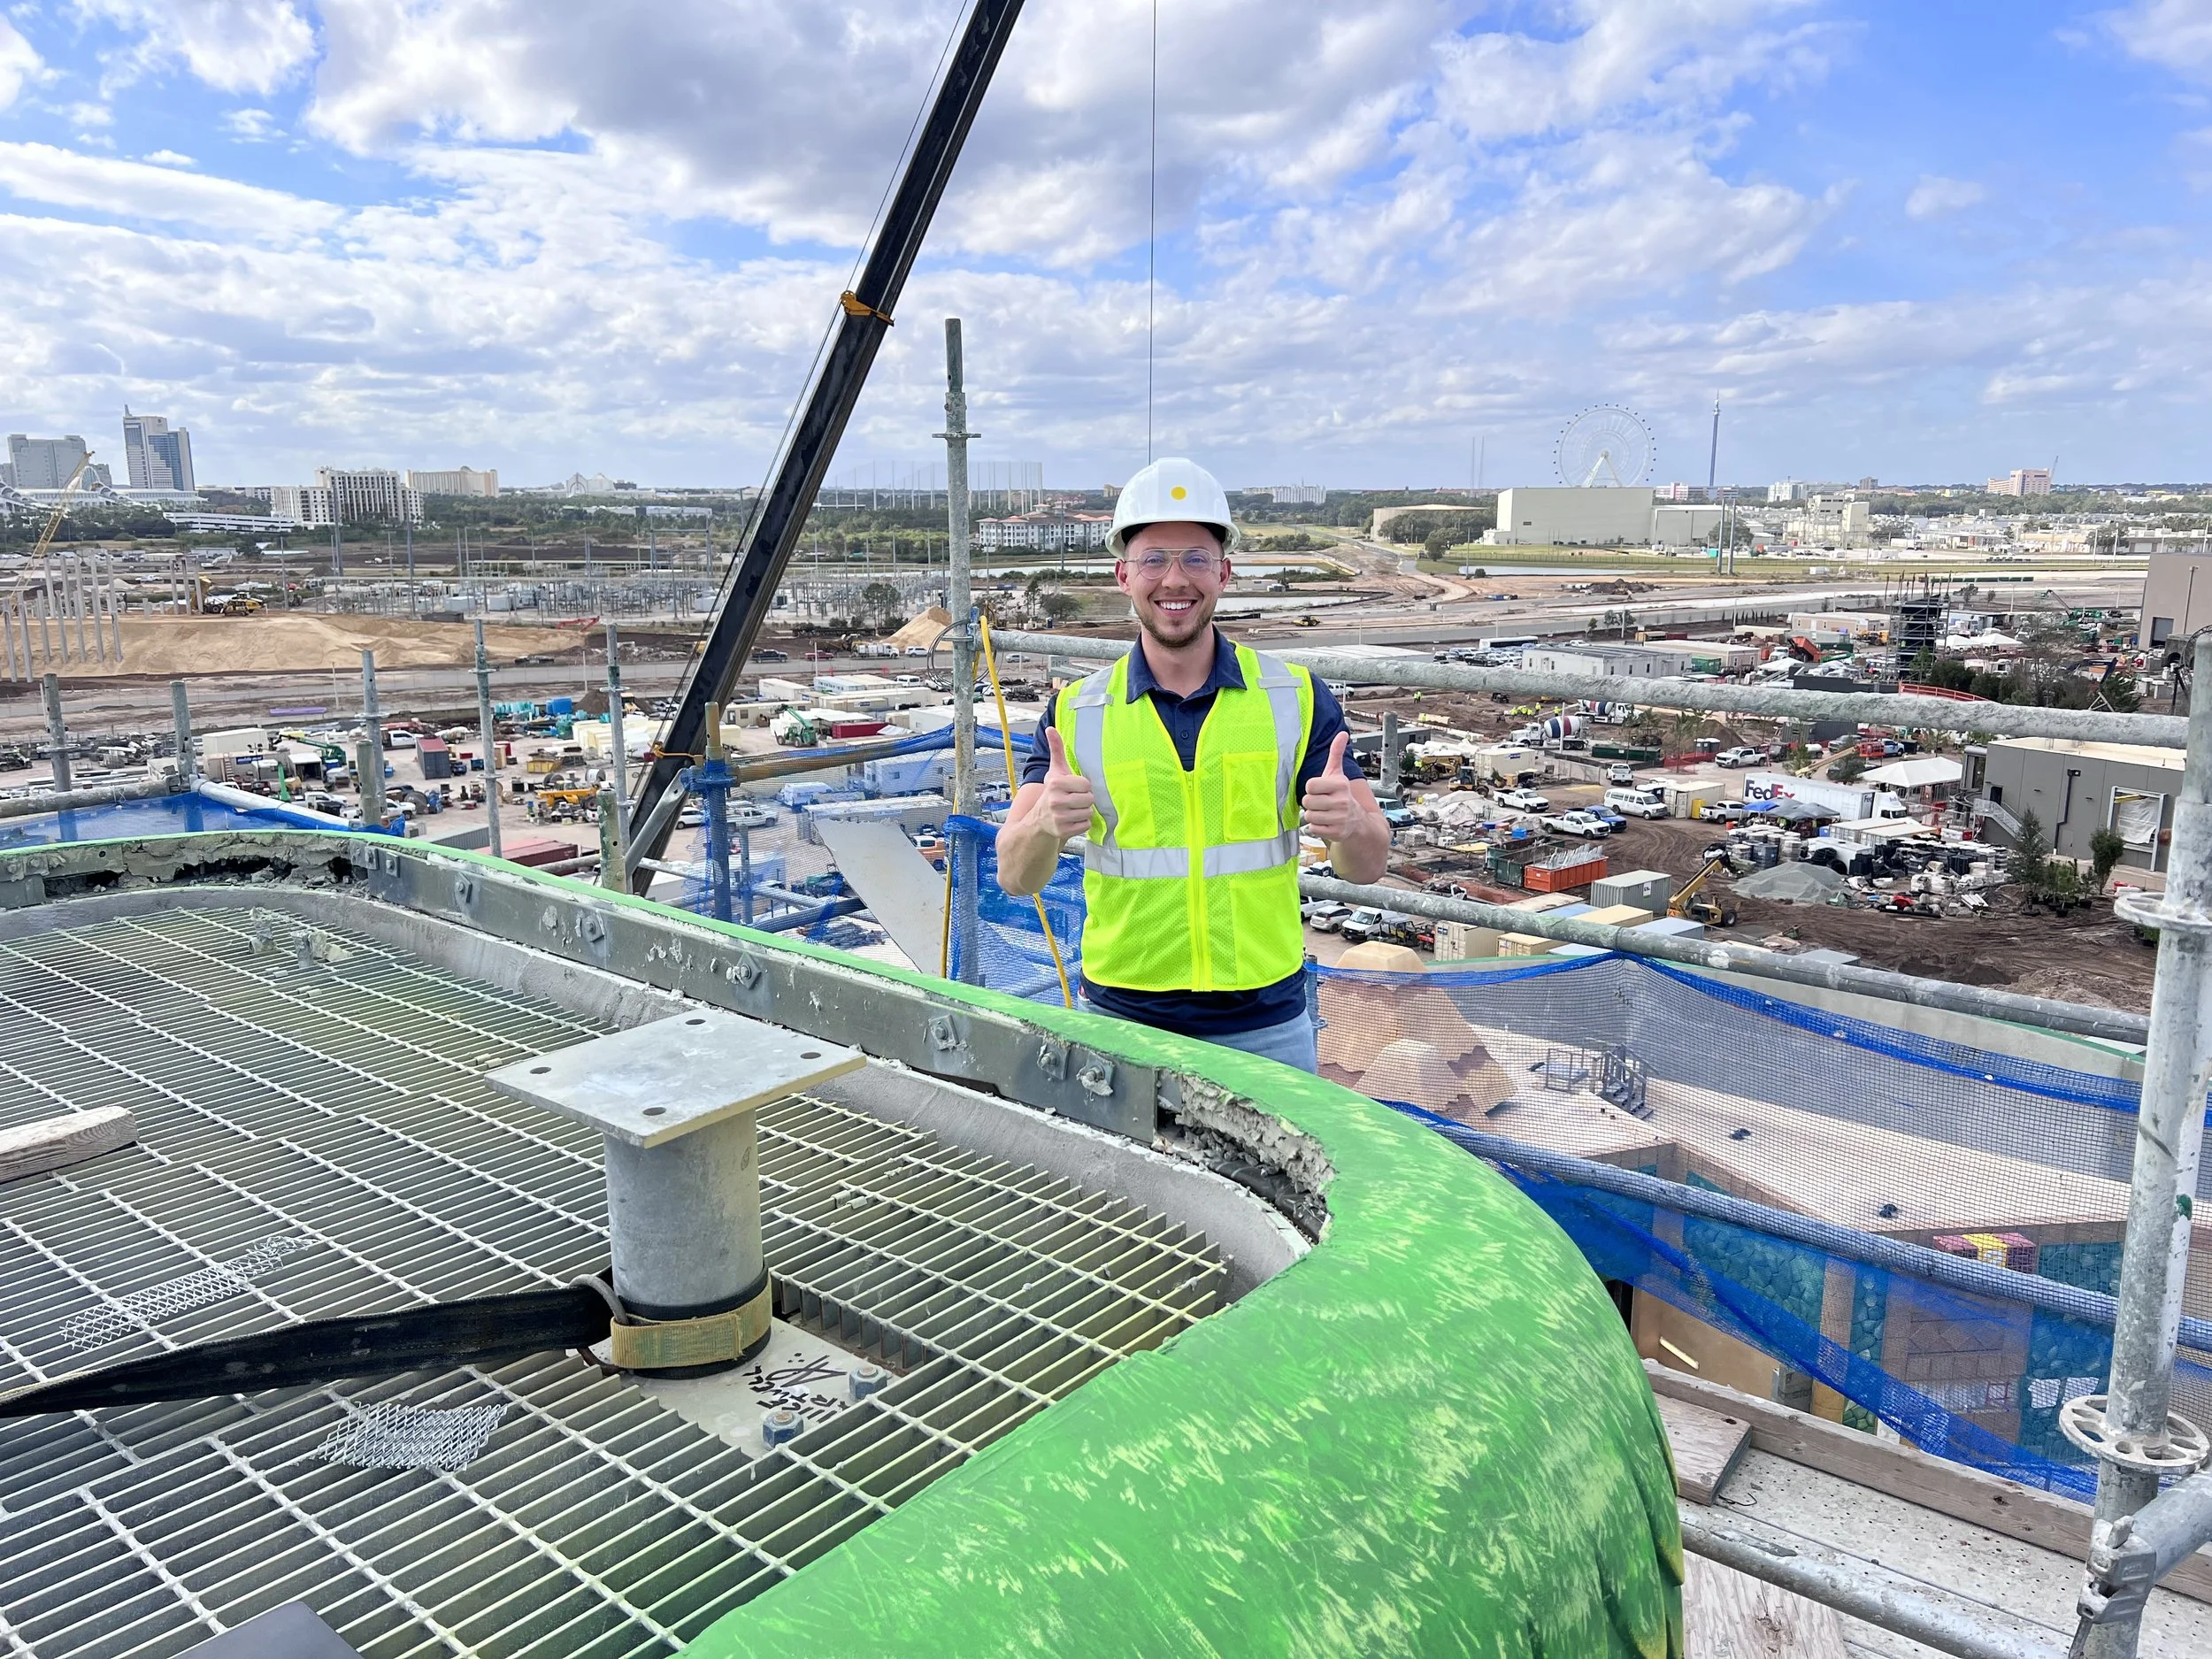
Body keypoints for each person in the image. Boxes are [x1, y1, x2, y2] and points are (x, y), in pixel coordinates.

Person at [995, 457, 1389, 1072]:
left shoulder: (1296, 697)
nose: (1174, 580)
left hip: (1268, 1026)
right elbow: (1017, 875)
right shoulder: (1075, 711)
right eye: (1154, 559)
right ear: (1123, 574)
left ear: (1225, 573)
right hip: (1124, 1025)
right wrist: (1045, 822)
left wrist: (1350, 827)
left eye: (1195, 559)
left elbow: (1368, 867)